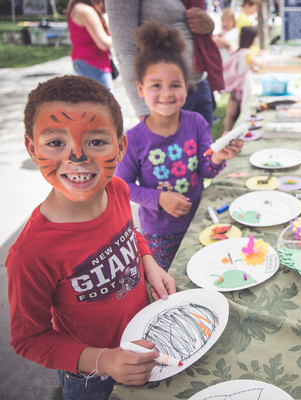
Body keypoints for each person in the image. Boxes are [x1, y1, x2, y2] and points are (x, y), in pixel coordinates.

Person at [6, 75, 177, 399]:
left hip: (146, 340)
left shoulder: (116, 189)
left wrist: (149, 262)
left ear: (120, 146)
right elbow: (29, 339)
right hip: (91, 377)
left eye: (96, 141)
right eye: (56, 142)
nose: (77, 157)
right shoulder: (31, 254)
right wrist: (104, 360)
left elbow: (130, 232)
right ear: (32, 148)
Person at [115, 20, 244, 271]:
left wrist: (218, 157)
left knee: (205, 273)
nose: (167, 93)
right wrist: (159, 198)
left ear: (187, 87)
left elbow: (206, 169)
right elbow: (123, 187)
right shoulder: (133, 139)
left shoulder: (195, 124)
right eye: (156, 86)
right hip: (159, 234)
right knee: (170, 284)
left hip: (198, 222)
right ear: (140, 89)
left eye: (175, 85)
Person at [106, 0, 223, 127]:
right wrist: (146, 116)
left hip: (199, 83)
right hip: (164, 97)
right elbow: (125, 51)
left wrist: (209, 26)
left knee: (205, 143)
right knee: (172, 146)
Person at [66, 0, 114, 91]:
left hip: (85, 60)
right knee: (105, 102)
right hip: (93, 62)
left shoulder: (76, 5)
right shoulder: (86, 11)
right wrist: (119, 35)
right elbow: (103, 43)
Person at [223, 26, 259, 131]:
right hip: (242, 88)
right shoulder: (248, 53)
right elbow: (258, 64)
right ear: (252, 39)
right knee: (243, 113)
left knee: (229, 114)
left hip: (234, 86)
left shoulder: (239, 51)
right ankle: (239, 132)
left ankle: (226, 132)